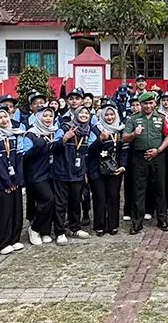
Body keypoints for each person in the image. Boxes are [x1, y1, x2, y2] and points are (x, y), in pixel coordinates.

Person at [123, 92, 168, 233]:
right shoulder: (133, 119)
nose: (148, 106)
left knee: (160, 189)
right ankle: (137, 223)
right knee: (139, 190)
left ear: (155, 103)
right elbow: (124, 138)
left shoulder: (162, 118)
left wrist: (159, 150)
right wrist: (134, 134)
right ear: (141, 104)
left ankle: (162, 220)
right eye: (145, 103)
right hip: (139, 157)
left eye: (151, 103)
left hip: (157, 156)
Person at [0, 106, 26, 254]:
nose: (3, 120)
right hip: (0, 181)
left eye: (5, 117)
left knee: (16, 211)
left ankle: (14, 239)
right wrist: (7, 182)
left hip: (14, 180)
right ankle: (2, 242)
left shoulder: (16, 134)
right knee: (2, 212)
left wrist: (17, 180)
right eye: (0, 118)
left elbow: (19, 158)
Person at [54, 106, 96, 242]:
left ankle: (75, 228)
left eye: (86, 113)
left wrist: (84, 172)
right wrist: (64, 139)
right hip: (62, 172)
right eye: (81, 113)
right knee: (61, 204)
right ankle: (60, 232)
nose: (84, 115)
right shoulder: (65, 128)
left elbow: (86, 154)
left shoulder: (88, 132)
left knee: (75, 202)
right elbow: (53, 148)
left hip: (77, 173)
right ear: (76, 114)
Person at [90, 105, 130, 235]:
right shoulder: (96, 129)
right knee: (100, 198)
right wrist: (100, 140)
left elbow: (125, 151)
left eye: (112, 114)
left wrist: (123, 166)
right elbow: (90, 151)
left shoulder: (120, 130)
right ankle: (100, 225)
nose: (109, 117)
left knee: (113, 197)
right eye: (106, 115)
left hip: (115, 169)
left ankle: (113, 225)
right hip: (98, 169)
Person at [24, 107, 59, 245]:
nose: (48, 118)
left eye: (50, 116)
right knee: (47, 199)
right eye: (45, 116)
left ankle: (45, 231)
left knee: (53, 201)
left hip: (51, 173)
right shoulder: (31, 134)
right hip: (36, 174)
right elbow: (25, 156)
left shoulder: (54, 131)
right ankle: (35, 228)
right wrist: (36, 147)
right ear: (38, 117)